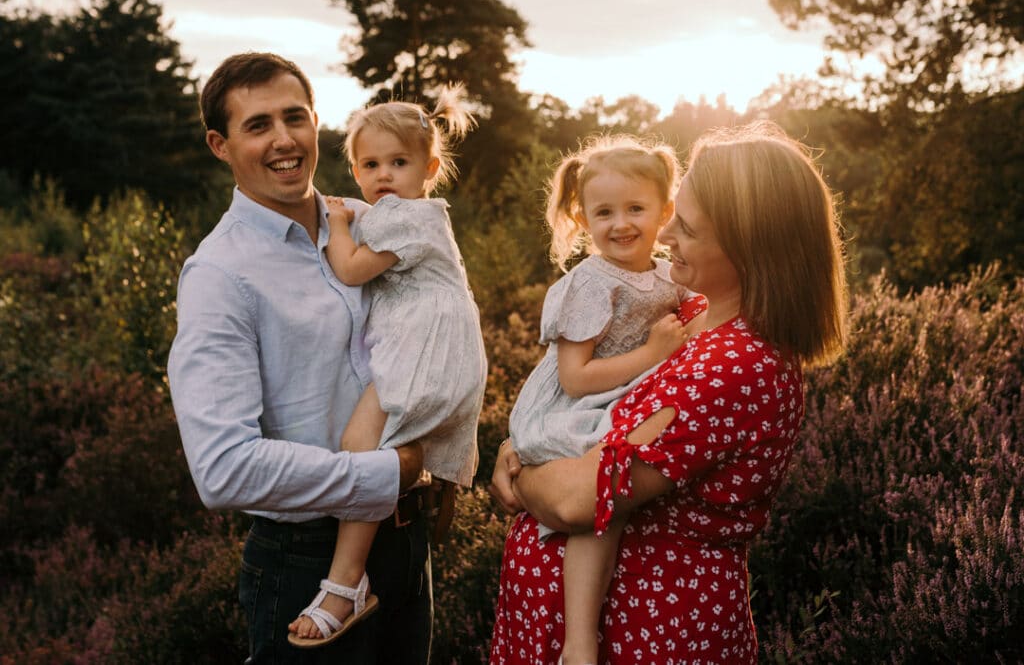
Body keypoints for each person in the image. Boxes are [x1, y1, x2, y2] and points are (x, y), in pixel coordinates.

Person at [489, 120, 848, 664]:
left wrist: (525, 472)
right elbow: (588, 405)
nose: (665, 236)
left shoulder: (736, 365)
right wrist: (516, 444)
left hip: (648, 636)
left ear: (748, 243)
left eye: (688, 227)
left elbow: (578, 498)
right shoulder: (691, 315)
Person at [166, 52, 432, 665]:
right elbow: (224, 469)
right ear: (220, 145)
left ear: (318, 122)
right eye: (258, 125)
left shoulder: (372, 226)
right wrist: (387, 475)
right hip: (304, 562)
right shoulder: (219, 276)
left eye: (295, 118)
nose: (284, 140)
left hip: (408, 550)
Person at [287, 85, 487, 647]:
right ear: (353, 166)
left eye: (399, 163)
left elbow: (351, 269)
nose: (383, 174)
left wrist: (339, 222)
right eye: (370, 163)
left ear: (429, 168)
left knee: (360, 445)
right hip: (417, 342)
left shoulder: (417, 217)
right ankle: (431, 476)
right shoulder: (392, 213)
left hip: (430, 345)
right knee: (375, 447)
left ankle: (346, 582)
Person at [506, 135, 690, 665]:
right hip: (572, 407)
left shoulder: (665, 274)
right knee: (600, 504)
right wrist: (653, 352)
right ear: (582, 218)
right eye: (603, 212)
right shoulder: (591, 283)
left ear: (665, 210)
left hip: (615, 397)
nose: (621, 224)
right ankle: (579, 642)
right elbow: (576, 377)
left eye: (636, 208)